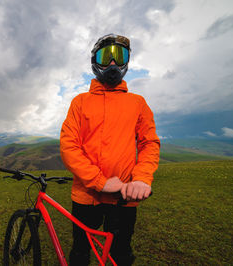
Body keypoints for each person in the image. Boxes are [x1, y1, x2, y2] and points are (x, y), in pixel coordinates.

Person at [60, 33, 160, 265]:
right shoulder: (80, 102)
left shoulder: (138, 103)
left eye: (119, 55)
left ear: (127, 61)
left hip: (125, 196)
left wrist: (142, 179)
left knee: (121, 255)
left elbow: (149, 143)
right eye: (107, 56)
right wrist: (99, 182)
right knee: (80, 252)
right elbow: (69, 145)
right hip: (86, 196)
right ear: (95, 61)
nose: (113, 63)